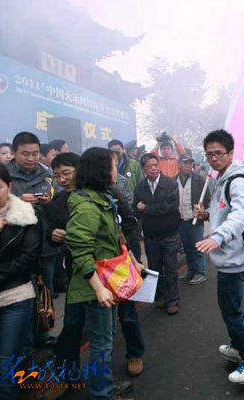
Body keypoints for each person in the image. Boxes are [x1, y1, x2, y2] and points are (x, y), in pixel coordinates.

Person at [45, 152, 142, 400]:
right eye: (113, 166)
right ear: (102, 170)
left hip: (106, 280)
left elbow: (116, 237)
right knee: (101, 343)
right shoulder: (87, 206)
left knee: (106, 339)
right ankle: (103, 393)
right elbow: (80, 248)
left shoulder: (101, 198)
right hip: (96, 285)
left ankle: (104, 386)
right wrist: (98, 288)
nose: (116, 170)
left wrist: (132, 260)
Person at [194, 129, 244, 385]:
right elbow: (223, 213)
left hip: (234, 257)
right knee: (228, 310)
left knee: (232, 312)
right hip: (227, 255)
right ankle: (238, 347)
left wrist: (217, 237)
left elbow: (239, 217)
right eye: (209, 154)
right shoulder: (221, 179)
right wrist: (206, 215)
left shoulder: (238, 182)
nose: (213, 159)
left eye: (218, 153)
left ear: (231, 153)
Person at [0, 163, 42, 400]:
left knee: (4, 363)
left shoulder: (25, 215)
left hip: (15, 298)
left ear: (9, 186)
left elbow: (29, 258)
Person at [7, 132, 59, 347]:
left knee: (46, 288)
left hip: (45, 242)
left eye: (35, 153)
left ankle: (43, 333)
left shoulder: (48, 175)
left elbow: (60, 203)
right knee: (23, 294)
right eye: (25, 154)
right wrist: (17, 201)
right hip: (15, 245)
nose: (31, 158)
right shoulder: (3, 175)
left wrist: (49, 202)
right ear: (14, 153)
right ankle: (24, 340)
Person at [133, 153, 181, 315]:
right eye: (149, 166)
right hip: (150, 235)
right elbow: (136, 209)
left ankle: (173, 301)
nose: (154, 168)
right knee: (155, 268)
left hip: (169, 234)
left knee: (171, 268)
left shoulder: (170, 183)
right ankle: (160, 296)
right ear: (143, 169)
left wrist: (146, 208)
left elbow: (169, 207)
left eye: (156, 165)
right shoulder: (140, 187)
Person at [176, 152, 210, 285]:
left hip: (195, 219)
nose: (188, 165)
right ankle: (191, 271)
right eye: (185, 163)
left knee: (198, 247)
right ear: (179, 164)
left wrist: (203, 211)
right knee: (187, 248)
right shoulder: (173, 180)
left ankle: (200, 272)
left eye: (190, 163)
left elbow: (207, 199)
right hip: (181, 220)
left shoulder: (199, 180)